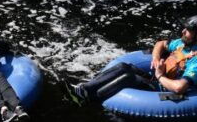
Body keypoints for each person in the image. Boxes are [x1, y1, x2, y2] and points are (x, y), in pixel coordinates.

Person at [69, 15, 197, 103]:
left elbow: (179, 88)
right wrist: (156, 58)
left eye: (188, 30)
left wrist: (159, 76)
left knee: (129, 78)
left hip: (172, 93)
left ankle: (89, 99)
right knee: (123, 67)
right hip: (159, 80)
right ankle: (85, 89)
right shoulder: (182, 43)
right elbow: (160, 44)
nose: (183, 31)